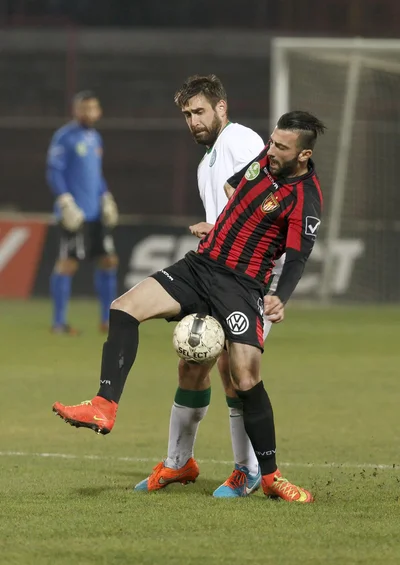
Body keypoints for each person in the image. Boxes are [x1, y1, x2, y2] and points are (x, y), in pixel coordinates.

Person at [53, 109, 325, 503]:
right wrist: (222, 227)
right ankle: (104, 404)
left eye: (282, 147)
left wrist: (280, 296)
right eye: (272, 141)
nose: (271, 150)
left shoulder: (306, 197)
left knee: (245, 377)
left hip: (242, 286)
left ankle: (269, 477)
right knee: (125, 307)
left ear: (303, 155)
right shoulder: (265, 160)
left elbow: (298, 256)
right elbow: (236, 190)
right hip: (200, 266)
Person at [134, 74, 285, 498]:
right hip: (218, 273)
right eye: (187, 114)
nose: (193, 121)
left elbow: (267, 199)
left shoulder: (239, 139)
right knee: (192, 362)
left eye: (200, 111)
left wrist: (219, 227)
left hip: (252, 275)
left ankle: (248, 469)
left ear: (222, 107)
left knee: (234, 372)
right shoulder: (208, 163)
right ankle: (179, 464)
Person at [46, 90, 119, 334]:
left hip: (95, 212)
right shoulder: (64, 137)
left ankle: (107, 320)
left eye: (93, 108)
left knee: (109, 261)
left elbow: (95, 175)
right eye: (84, 108)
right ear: (76, 110)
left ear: (99, 112)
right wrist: (65, 200)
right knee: (67, 264)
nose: (89, 113)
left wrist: (105, 195)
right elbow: (54, 172)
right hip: (74, 214)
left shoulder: (95, 138)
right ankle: (59, 323)